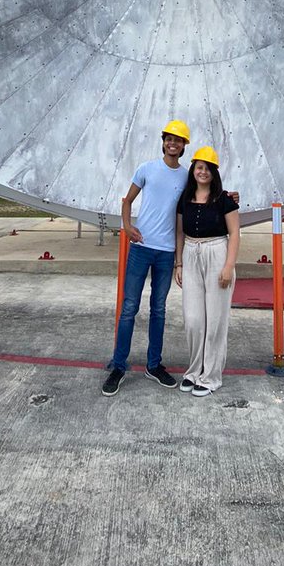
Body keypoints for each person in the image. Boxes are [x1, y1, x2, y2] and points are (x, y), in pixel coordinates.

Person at [101, 120, 191, 397]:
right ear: (163, 141)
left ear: (184, 146)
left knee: (159, 310)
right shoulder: (147, 169)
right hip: (141, 249)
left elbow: (187, 214)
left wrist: (178, 259)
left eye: (178, 140)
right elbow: (126, 200)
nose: (173, 143)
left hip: (166, 253)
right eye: (169, 139)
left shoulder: (186, 177)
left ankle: (154, 365)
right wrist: (127, 227)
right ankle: (119, 366)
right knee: (129, 308)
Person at [174, 146, 240, 397]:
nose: (202, 172)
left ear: (214, 173)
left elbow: (235, 234)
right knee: (193, 320)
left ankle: (211, 376)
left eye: (207, 168)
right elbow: (179, 232)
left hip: (217, 253)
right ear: (193, 170)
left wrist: (228, 266)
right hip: (191, 253)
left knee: (215, 321)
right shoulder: (184, 198)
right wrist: (179, 263)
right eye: (199, 167)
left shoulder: (224, 199)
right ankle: (193, 371)